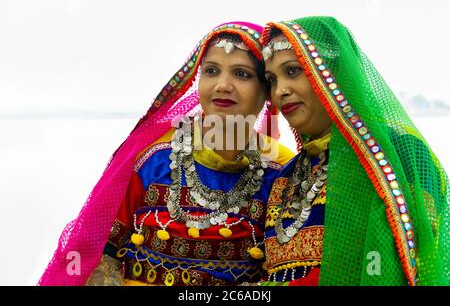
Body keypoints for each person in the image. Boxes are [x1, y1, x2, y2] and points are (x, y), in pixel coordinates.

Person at [38, 21, 294, 286]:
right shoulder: (151, 157)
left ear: (268, 91)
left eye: (241, 74)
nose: (222, 85)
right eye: (211, 71)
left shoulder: (281, 169)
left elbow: (285, 272)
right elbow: (103, 252)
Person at [260, 16, 449, 286]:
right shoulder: (286, 177)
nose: (280, 91)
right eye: (271, 80)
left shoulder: (397, 155)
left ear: (332, 72)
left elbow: (420, 262)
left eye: (292, 71)